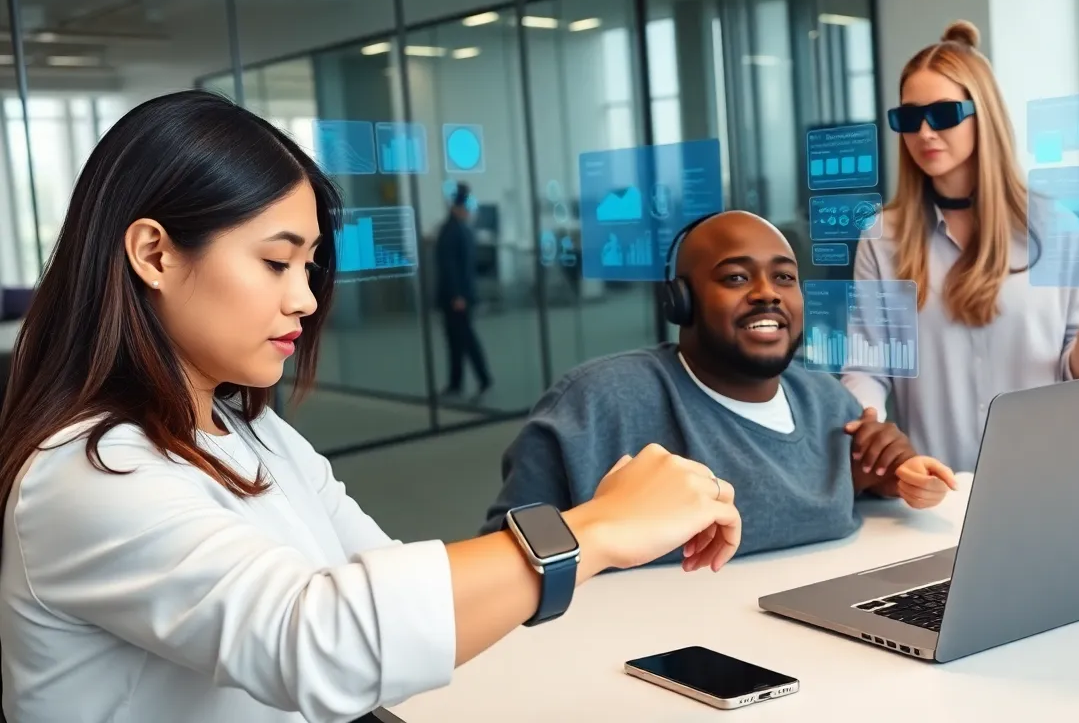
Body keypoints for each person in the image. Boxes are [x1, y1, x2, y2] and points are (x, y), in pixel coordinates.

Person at [0, 90, 742, 723]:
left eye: (310, 265)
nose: (304, 297)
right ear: (155, 254)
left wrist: (598, 534)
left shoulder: (250, 429)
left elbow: (383, 585)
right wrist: (595, 527)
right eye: (274, 262)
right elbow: (320, 638)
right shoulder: (84, 475)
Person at [480, 211, 957, 562]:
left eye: (784, 277)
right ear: (679, 301)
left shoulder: (828, 402)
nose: (767, 292)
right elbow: (500, 558)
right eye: (735, 276)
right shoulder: (598, 404)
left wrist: (892, 477)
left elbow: (836, 496)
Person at [841, 20, 1079, 474]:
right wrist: (870, 437)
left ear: (986, 116)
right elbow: (868, 366)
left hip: (1045, 480)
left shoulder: (1056, 228)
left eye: (943, 115)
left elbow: (1076, 376)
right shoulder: (883, 238)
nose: (924, 132)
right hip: (939, 489)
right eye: (908, 118)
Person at [435, 182, 492, 397]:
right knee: (456, 341)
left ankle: (483, 378)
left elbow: (452, 267)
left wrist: (457, 295)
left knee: (464, 339)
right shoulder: (458, 230)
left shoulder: (452, 230)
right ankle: (456, 383)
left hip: (457, 297)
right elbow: (455, 266)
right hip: (458, 295)